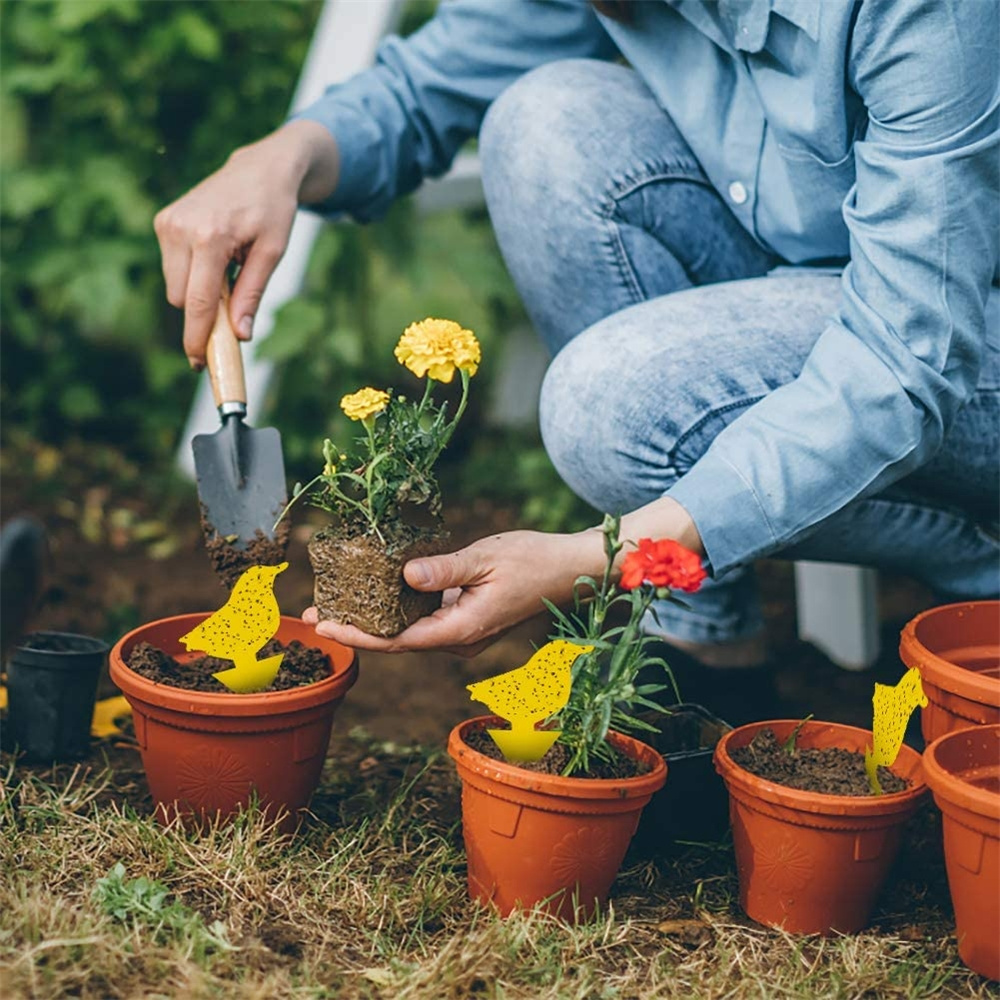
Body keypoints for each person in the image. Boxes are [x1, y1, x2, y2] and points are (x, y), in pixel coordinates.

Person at [155, 0, 999, 701]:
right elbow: (436, 83)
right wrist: (280, 157)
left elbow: (905, 361)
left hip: (956, 348)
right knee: (545, 119)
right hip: (819, 288)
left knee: (610, 404)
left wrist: (598, 559)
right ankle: (698, 650)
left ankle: (981, 561)